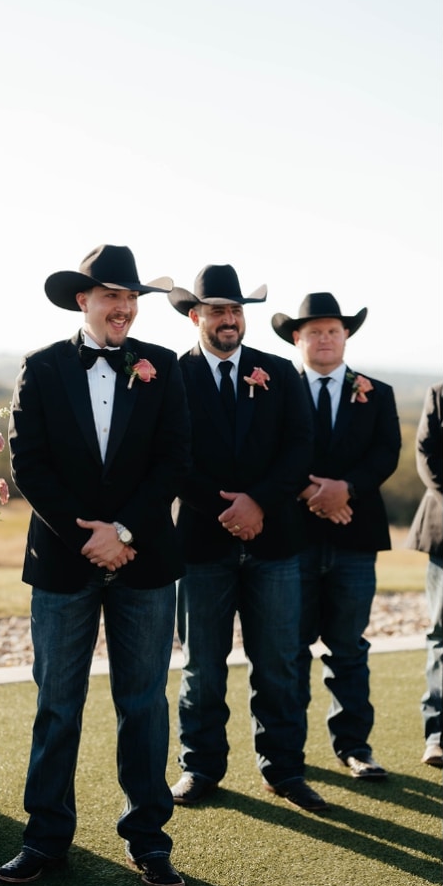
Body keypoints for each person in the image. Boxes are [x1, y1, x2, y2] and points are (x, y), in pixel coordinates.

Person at [0, 245, 191, 886]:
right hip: (63, 558)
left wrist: (126, 530)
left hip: (145, 560)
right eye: (112, 295)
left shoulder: (161, 366)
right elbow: (30, 462)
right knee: (58, 705)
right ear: (84, 299)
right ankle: (45, 837)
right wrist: (91, 538)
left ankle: (148, 839)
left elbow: (173, 459)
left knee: (144, 705)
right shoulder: (43, 367)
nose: (125, 307)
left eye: (132, 297)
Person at [164, 265, 326, 813]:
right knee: (203, 667)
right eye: (217, 310)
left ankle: (284, 769)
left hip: (276, 541)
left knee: (278, 663)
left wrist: (259, 503)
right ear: (195, 316)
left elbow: (299, 450)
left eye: (236, 310)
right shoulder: (170, 375)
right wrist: (229, 509)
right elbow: (170, 457)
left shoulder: (279, 373)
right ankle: (200, 767)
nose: (229, 319)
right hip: (201, 546)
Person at [272, 292, 401, 780]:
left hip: (355, 536)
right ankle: (290, 752)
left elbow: (385, 454)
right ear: (297, 338)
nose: (324, 338)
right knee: (291, 647)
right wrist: (310, 492)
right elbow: (271, 448)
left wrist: (345, 489)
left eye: (333, 330)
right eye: (314, 332)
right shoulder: (276, 389)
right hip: (292, 537)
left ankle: (354, 747)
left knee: (348, 646)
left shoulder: (378, 391)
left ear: (346, 336)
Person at [407, 382, 443, 767]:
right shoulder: (439, 392)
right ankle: (435, 736)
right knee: (439, 635)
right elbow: (423, 452)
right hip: (439, 530)